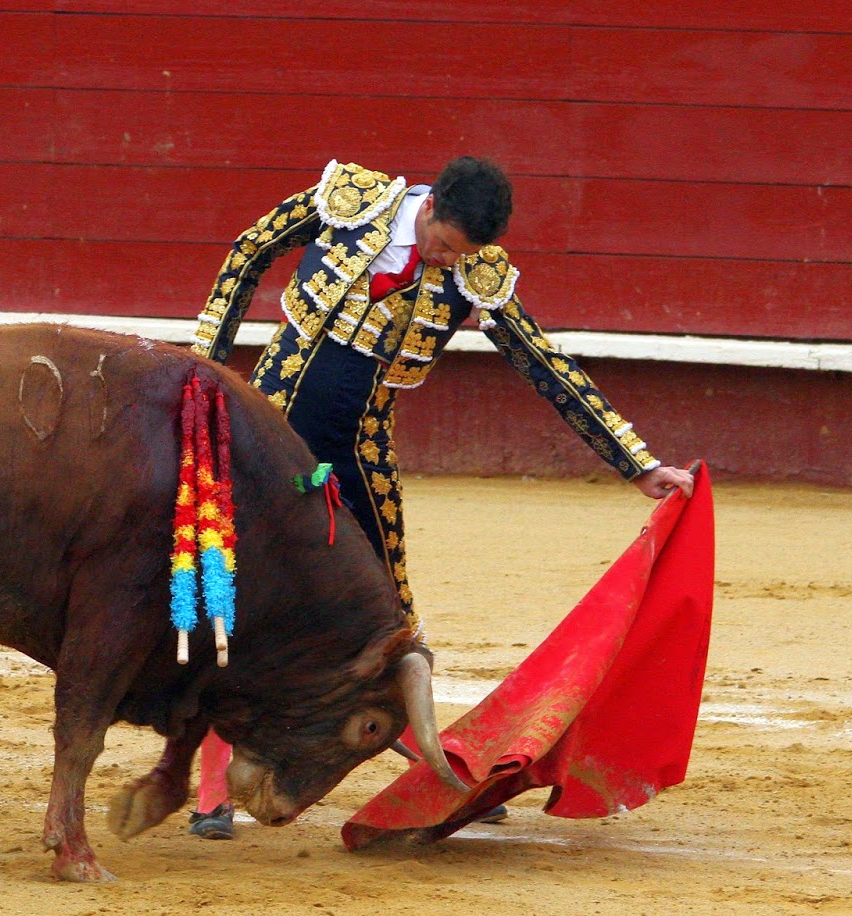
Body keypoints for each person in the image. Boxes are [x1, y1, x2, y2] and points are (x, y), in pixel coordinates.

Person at [185, 157, 695, 840]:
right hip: (266, 430)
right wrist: (205, 367)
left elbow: (543, 361)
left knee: (389, 615)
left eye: (460, 253)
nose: (446, 260)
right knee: (229, 591)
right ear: (428, 208)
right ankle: (212, 791)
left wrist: (636, 464)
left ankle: (423, 770)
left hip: (360, 451)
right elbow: (250, 250)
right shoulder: (351, 201)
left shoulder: (474, 273)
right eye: (443, 244)